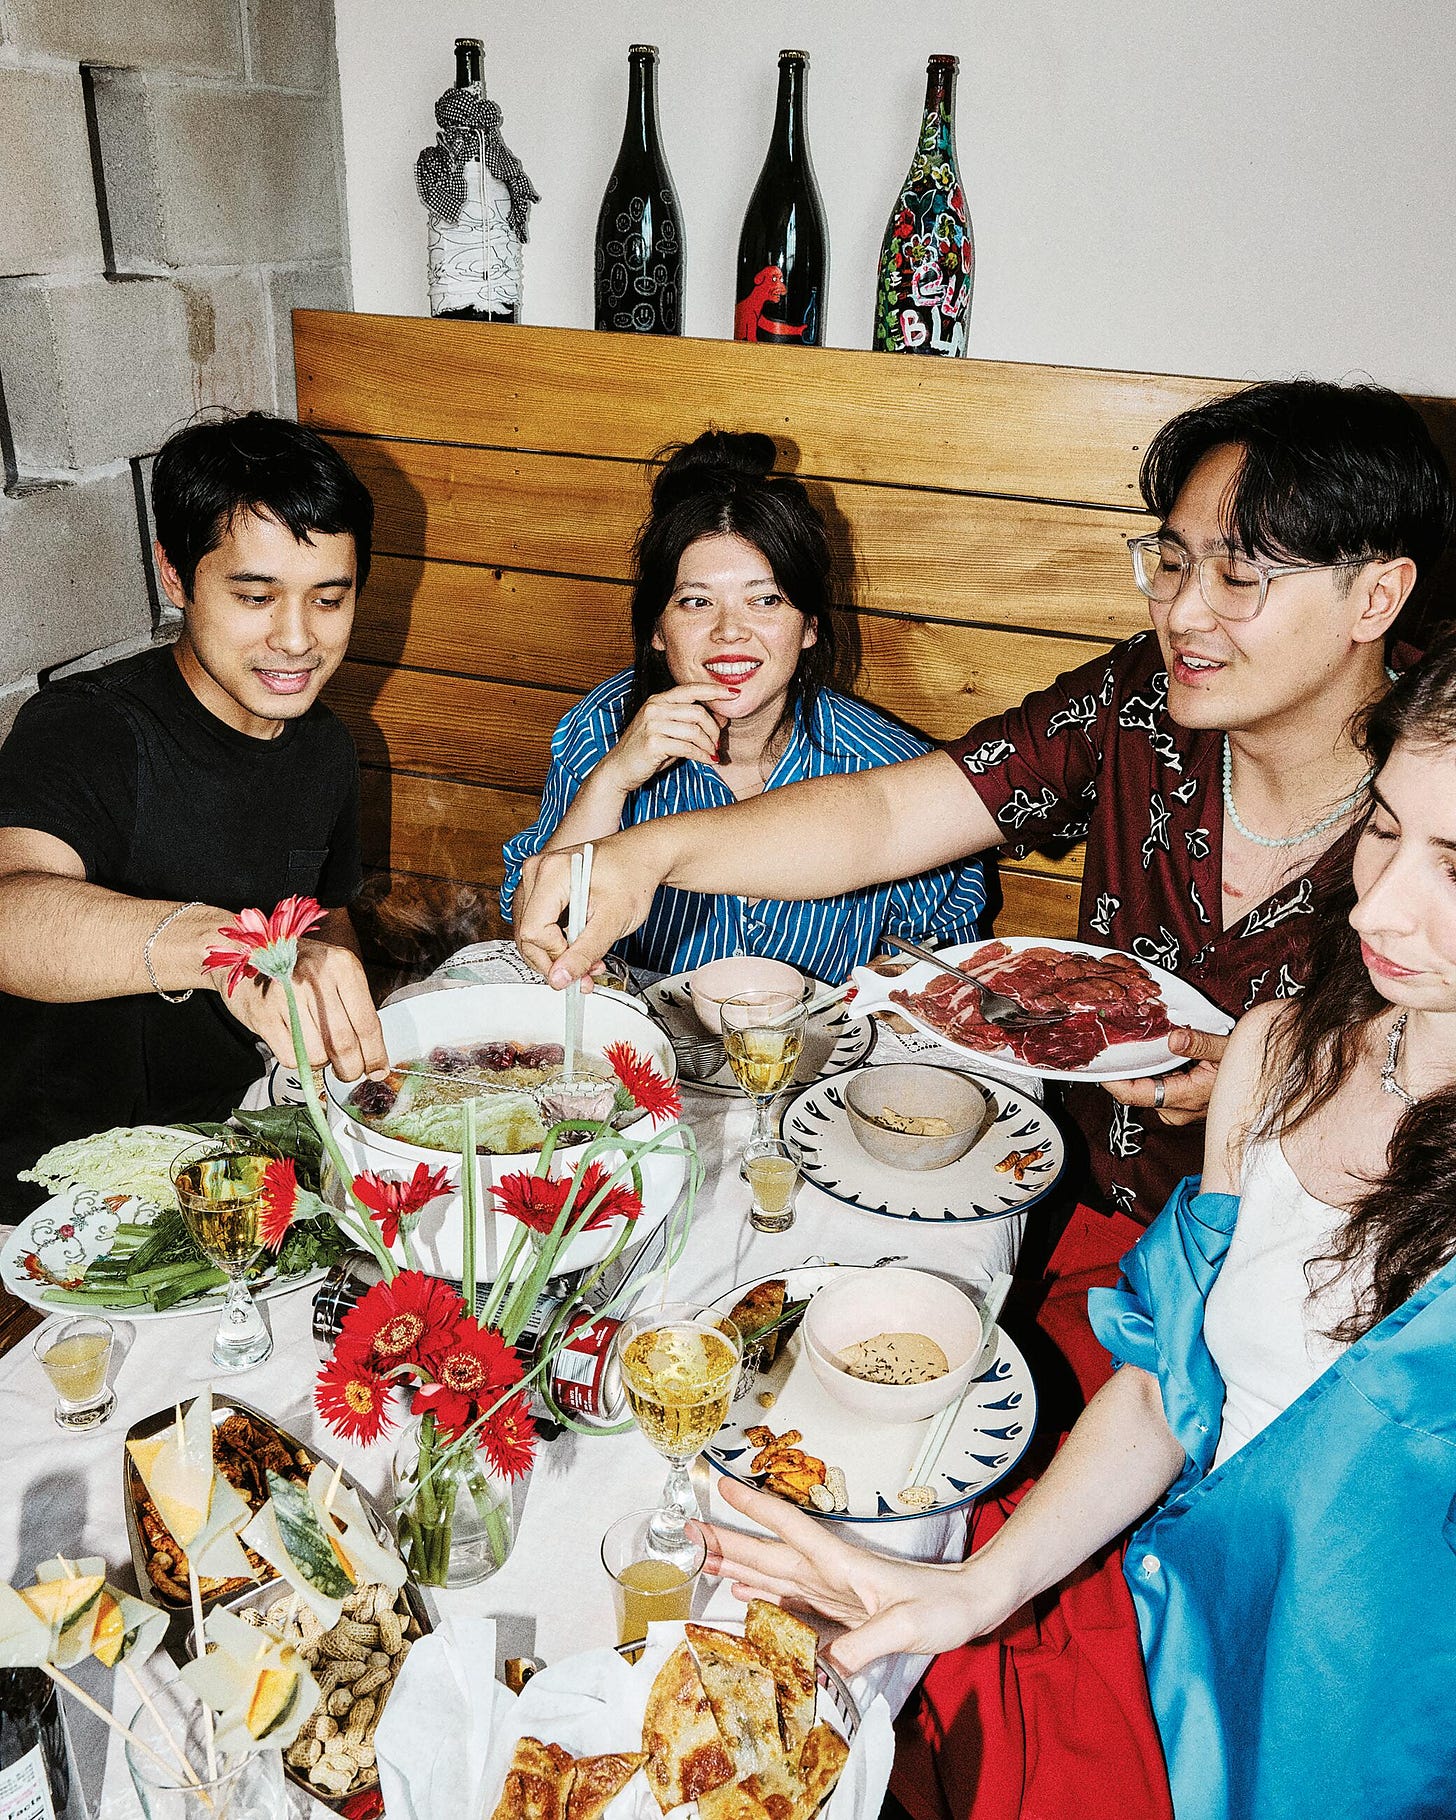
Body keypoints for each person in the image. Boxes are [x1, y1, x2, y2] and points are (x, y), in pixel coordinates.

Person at [695, 634, 1456, 1820]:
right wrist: (971, 1590)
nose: (1384, 898)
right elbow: (1164, 1384)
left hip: (1334, 1756)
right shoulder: (1278, 1050)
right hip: (1153, 1627)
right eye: (1386, 829)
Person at [0, 411, 389, 1218]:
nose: (296, 639)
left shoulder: (326, 748)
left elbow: (325, 916)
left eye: (329, 598)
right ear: (174, 576)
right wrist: (227, 951)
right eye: (255, 596)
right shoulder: (91, 728)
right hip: (67, 1198)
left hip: (244, 1156)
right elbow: (9, 913)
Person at [500, 429, 987, 981]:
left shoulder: (893, 765)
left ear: (808, 626)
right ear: (658, 629)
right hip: (637, 1045)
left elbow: (949, 967)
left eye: (765, 600)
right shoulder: (604, 725)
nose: (730, 632)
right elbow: (539, 930)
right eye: (696, 602)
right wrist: (612, 779)